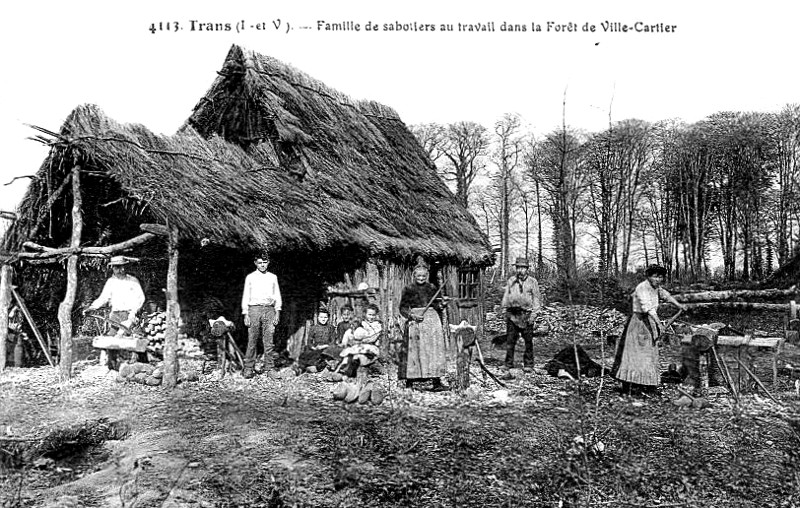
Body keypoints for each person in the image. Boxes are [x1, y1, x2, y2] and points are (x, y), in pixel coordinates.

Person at [612, 264, 687, 396]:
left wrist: (679, 305)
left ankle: (648, 384)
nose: (658, 279)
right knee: (636, 355)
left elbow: (666, 295)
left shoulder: (656, 287)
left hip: (649, 323)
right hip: (638, 324)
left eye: (661, 277)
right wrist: (659, 325)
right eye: (655, 276)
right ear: (648, 276)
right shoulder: (642, 288)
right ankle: (631, 386)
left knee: (650, 355)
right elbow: (649, 309)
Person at [84, 256, 146, 370]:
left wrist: (133, 313)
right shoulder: (111, 282)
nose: (120, 270)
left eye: (122, 267)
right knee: (111, 340)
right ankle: (112, 367)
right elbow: (104, 298)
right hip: (115, 315)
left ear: (125, 267)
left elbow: (140, 298)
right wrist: (93, 307)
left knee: (136, 340)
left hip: (130, 313)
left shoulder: (133, 281)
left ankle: (142, 367)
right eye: (117, 267)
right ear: (112, 268)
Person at [398, 260, 448, 391]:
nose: (421, 278)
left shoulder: (431, 288)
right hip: (416, 321)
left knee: (433, 350)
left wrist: (442, 305)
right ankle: (410, 381)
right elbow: (402, 307)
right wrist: (412, 316)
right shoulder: (408, 289)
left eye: (423, 276)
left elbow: (436, 305)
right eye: (418, 276)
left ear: (427, 276)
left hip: (431, 321)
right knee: (414, 350)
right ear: (414, 276)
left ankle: (435, 381)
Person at [241, 252, 282, 379]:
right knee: (252, 339)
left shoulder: (273, 277)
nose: (262, 265)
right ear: (255, 263)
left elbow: (277, 295)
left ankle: (269, 368)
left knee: (269, 340)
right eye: (260, 262)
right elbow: (246, 295)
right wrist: (245, 313)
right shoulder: (250, 277)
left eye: (265, 262)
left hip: (269, 309)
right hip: (254, 309)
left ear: (268, 262)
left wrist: (277, 311)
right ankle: (248, 367)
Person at [501, 257, 542, 373]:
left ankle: (528, 364)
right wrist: (504, 309)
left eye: (522, 268)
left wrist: (534, 314)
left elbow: (536, 299)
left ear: (527, 269)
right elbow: (506, 296)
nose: (520, 270)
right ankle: (508, 364)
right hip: (512, 314)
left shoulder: (532, 282)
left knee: (528, 341)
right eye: (518, 268)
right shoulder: (511, 280)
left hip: (526, 314)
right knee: (510, 341)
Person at [296, 308, 340, 373]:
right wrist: (313, 347)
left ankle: (321, 367)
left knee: (326, 355)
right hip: (317, 347)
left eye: (325, 317)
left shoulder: (331, 328)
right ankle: (301, 369)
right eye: (321, 317)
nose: (323, 319)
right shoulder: (313, 328)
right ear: (318, 318)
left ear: (328, 318)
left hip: (327, 348)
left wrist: (326, 346)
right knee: (306, 354)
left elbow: (333, 341)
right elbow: (309, 342)